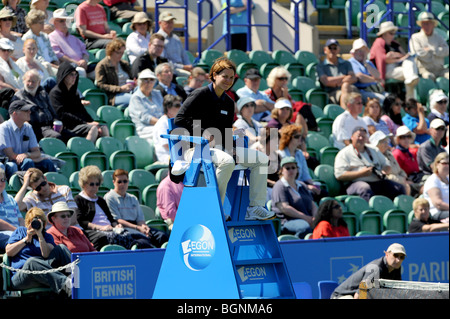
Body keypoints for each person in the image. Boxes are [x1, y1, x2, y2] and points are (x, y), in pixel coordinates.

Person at [174, 57, 275, 221]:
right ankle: (215, 208)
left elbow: (227, 131)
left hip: (218, 149)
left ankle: (255, 207)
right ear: (213, 75)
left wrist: (231, 148)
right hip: (194, 149)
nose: (228, 80)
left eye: (231, 77)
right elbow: (179, 119)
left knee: (261, 159)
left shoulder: (229, 102)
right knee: (227, 161)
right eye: (224, 76)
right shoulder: (199, 94)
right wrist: (201, 133)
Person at [74, 165, 156, 250]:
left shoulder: (100, 200)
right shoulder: (79, 199)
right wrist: (101, 227)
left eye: (97, 184)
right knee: (108, 238)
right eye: (91, 184)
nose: (95, 187)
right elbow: (82, 221)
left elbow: (111, 218)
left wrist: (116, 225)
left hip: (110, 229)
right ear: (83, 184)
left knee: (137, 236)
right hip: (94, 232)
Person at [5, 206, 72, 297]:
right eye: (34, 221)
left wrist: (40, 235)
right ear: (28, 222)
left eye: (40, 221)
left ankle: (76, 280)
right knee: (32, 262)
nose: (36, 224)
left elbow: (46, 255)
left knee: (61, 247)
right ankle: (69, 287)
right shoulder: (20, 231)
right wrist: (26, 239)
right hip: (22, 276)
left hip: (43, 273)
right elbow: (9, 252)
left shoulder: (46, 236)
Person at [334, 126, 405, 201]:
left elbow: (386, 164)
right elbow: (339, 175)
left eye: (363, 136)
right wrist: (361, 173)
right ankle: (370, 212)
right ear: (352, 137)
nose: (361, 138)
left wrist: (383, 171)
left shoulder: (373, 150)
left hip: (376, 181)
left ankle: (396, 211)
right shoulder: (344, 153)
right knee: (365, 188)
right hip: (355, 183)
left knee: (398, 187)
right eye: (359, 136)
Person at [104, 169, 169, 248]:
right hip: (124, 228)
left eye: (125, 181)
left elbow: (140, 219)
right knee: (143, 241)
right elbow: (117, 220)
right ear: (114, 182)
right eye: (119, 182)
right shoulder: (110, 197)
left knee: (162, 236)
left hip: (137, 226)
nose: (122, 184)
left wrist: (144, 227)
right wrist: (138, 228)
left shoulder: (133, 198)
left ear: (128, 182)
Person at [50, 61, 109, 143]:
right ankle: (87, 150)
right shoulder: (55, 93)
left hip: (79, 124)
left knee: (103, 127)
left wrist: (92, 122)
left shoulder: (74, 93)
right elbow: (62, 114)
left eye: (75, 74)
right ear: (64, 76)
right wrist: (87, 123)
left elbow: (82, 110)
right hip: (67, 126)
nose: (74, 77)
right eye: (71, 74)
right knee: (93, 128)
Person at [0, 99, 56, 178]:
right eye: (25, 110)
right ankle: (27, 188)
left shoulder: (28, 127)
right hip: (10, 162)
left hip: (26, 160)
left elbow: (37, 152)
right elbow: (11, 155)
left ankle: (52, 187)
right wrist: (34, 159)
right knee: (28, 162)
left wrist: (27, 154)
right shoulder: (3, 128)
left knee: (48, 163)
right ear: (15, 113)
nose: (29, 112)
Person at [331, 243, 407, 299]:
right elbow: (359, 296)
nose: (398, 260)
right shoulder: (375, 269)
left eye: (402, 257)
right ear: (387, 254)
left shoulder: (396, 267)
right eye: (395, 255)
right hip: (341, 296)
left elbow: (396, 292)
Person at [13, 69, 70, 142]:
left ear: (39, 82)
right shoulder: (19, 97)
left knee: (71, 137)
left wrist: (58, 122)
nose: (30, 84)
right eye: (28, 81)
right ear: (23, 81)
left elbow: (53, 112)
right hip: (37, 129)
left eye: (33, 82)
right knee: (57, 137)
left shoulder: (43, 93)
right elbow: (14, 115)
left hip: (51, 126)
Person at [369, 21, 419, 100]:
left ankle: (410, 98)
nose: (393, 35)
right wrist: (397, 58)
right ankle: (411, 99)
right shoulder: (379, 42)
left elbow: (405, 56)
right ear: (384, 33)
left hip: (399, 66)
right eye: (391, 33)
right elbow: (383, 60)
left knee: (409, 66)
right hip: (387, 69)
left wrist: (396, 56)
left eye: (394, 33)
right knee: (411, 74)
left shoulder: (395, 44)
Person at [14, 167, 79, 227]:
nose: (43, 188)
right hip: (50, 235)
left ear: (45, 178)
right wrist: (25, 184)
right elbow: (16, 206)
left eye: (43, 184)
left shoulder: (64, 190)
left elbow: (73, 217)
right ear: (33, 189)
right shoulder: (32, 198)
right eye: (38, 188)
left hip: (71, 229)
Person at [271, 156, 316, 238]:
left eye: (293, 168)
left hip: (307, 219)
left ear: (297, 169)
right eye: (287, 168)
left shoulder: (302, 185)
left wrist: (315, 218)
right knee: (304, 227)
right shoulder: (279, 186)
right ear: (282, 170)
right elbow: (284, 208)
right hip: (287, 222)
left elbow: (312, 204)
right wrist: (306, 218)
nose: (291, 170)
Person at [277, 124, 320, 199]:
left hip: (301, 186)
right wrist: (306, 186)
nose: (300, 139)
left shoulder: (299, 153)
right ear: (288, 138)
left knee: (322, 193)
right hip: (289, 187)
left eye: (301, 137)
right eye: (296, 137)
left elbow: (306, 175)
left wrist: (314, 186)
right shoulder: (280, 154)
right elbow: (285, 178)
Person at [48, 8, 90, 78]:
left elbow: (84, 51)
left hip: (83, 66)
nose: (65, 23)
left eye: (67, 21)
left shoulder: (74, 38)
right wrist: (76, 63)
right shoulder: (51, 37)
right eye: (61, 21)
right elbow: (59, 55)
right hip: (67, 67)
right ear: (55, 23)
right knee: (80, 71)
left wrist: (84, 60)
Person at [370, 131, 414, 196]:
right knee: (406, 187)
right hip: (390, 184)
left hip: (402, 180)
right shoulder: (375, 158)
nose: (387, 143)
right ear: (376, 145)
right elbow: (384, 176)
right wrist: (402, 180)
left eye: (387, 141)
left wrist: (404, 177)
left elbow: (400, 170)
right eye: (383, 142)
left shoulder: (389, 154)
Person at [317, 38, 357, 109]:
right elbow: (326, 81)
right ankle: (346, 115)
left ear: (338, 50)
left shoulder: (346, 63)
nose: (332, 50)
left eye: (335, 48)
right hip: (333, 93)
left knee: (347, 87)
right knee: (345, 88)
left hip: (350, 89)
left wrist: (337, 83)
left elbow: (353, 78)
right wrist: (344, 77)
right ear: (325, 50)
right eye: (330, 48)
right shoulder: (321, 66)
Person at [409, 11, 449, 81]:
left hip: (440, 70)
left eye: (428, 23)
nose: (426, 26)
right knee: (429, 78)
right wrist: (438, 50)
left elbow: (447, 51)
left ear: (433, 25)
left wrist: (431, 50)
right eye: (424, 24)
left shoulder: (439, 37)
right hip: (424, 70)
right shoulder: (415, 37)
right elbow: (418, 54)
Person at [95, 38, 134, 107]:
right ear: (111, 51)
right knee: (135, 99)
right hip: (114, 95)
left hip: (130, 91)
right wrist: (120, 89)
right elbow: (101, 85)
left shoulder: (124, 64)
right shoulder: (102, 66)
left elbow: (132, 78)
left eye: (122, 53)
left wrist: (134, 83)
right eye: (118, 53)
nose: (121, 55)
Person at [129, 68, 164, 144]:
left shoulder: (157, 94)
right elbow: (145, 117)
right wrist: (163, 123)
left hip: (160, 126)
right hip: (144, 129)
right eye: (145, 80)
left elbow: (164, 111)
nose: (149, 83)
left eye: (151, 80)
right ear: (140, 82)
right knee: (165, 133)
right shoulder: (136, 97)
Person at [348, 38, 388, 103]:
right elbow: (361, 77)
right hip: (362, 91)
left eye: (364, 51)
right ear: (353, 52)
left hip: (375, 89)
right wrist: (375, 80)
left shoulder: (368, 63)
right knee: (382, 100)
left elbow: (378, 75)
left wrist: (365, 63)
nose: (361, 53)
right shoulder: (351, 62)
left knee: (391, 98)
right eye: (359, 51)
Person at [22, 9, 59, 75]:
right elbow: (36, 58)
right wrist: (55, 67)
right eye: (40, 23)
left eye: (43, 22)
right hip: (41, 67)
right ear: (32, 24)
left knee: (77, 71)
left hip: (52, 66)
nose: (43, 24)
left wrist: (56, 63)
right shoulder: (27, 38)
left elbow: (51, 53)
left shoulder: (45, 36)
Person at [157, 11, 193, 76]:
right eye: (167, 22)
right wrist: (183, 67)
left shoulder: (176, 38)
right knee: (191, 76)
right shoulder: (158, 39)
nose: (170, 25)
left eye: (171, 22)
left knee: (200, 74)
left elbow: (184, 56)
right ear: (160, 23)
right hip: (169, 69)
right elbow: (164, 61)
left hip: (181, 68)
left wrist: (189, 66)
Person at [392, 126, 426, 193]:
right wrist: (405, 181)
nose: (406, 139)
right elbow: (396, 173)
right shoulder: (396, 154)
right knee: (428, 188)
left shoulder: (411, 151)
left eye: (408, 136)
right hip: (408, 181)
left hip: (418, 177)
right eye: (403, 137)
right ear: (398, 139)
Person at [250, 127, 280, 201]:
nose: (277, 144)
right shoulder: (256, 152)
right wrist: (275, 184)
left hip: (274, 186)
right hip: (262, 188)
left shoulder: (277, 154)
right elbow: (257, 177)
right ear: (266, 139)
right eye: (275, 140)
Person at [153, 94, 182, 163]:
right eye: (177, 105)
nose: (180, 108)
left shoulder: (176, 122)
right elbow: (166, 144)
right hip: (167, 157)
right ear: (168, 108)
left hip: (178, 155)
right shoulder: (162, 122)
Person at [0, 167, 24, 252]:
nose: (0, 183)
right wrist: (18, 231)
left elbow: (20, 218)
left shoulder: (10, 198)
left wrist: (22, 230)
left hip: (16, 232)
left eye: (2, 180)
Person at [423, 152, 449, 221]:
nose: (447, 166)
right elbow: (438, 204)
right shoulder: (433, 180)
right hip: (437, 213)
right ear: (437, 164)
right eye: (444, 163)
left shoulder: (448, 179)